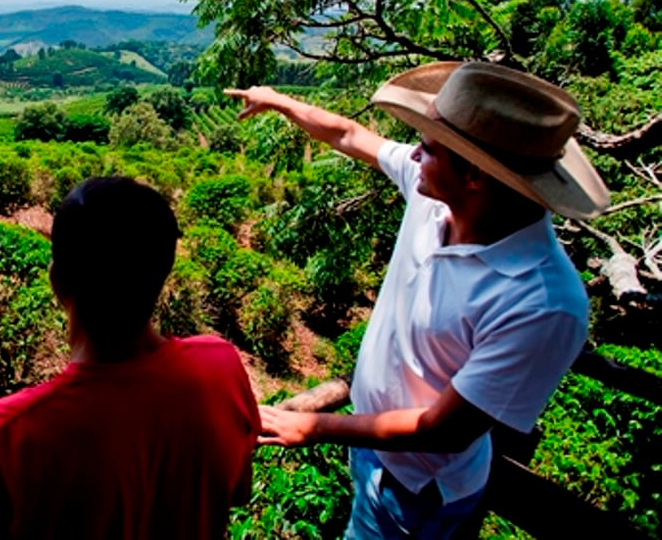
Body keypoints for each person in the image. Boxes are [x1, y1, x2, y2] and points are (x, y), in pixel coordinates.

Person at [226, 61, 609, 539]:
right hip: (374, 449)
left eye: (427, 148)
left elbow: (446, 430)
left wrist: (314, 427)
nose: (411, 156)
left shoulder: (541, 302)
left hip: (415, 489)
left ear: (473, 174)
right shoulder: (437, 197)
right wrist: (281, 102)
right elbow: (347, 135)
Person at [0, 176, 260, 540]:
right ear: (163, 273)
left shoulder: (2, 436)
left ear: (56, 281)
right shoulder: (220, 368)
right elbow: (235, 491)